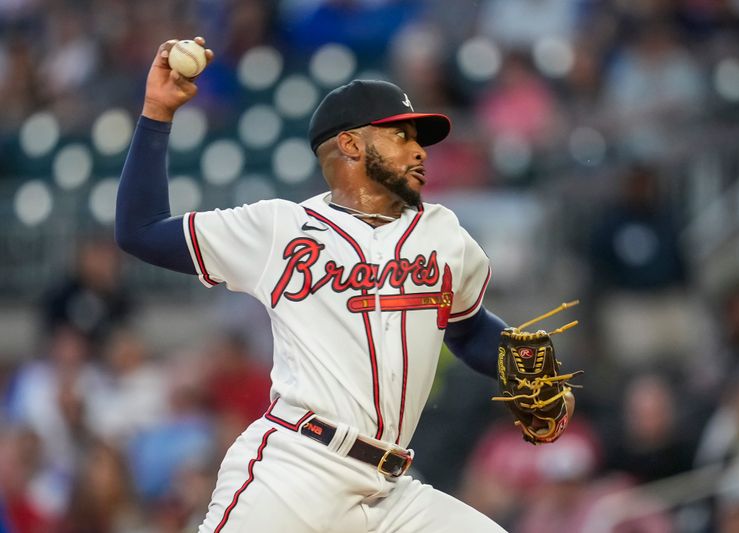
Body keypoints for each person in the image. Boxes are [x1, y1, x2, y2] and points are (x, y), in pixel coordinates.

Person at [116, 37, 573, 532]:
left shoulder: (444, 234)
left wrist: (518, 368)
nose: (419, 150)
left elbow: (467, 328)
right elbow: (140, 231)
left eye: (418, 138)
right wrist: (157, 112)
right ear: (352, 144)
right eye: (400, 136)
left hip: (391, 490)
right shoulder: (280, 229)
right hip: (297, 470)